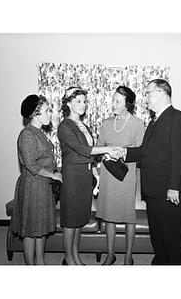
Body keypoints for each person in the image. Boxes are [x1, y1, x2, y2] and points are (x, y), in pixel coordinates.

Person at [115, 79, 181, 265]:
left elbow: (180, 157)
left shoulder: (177, 118)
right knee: (158, 235)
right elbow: (143, 152)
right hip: (153, 190)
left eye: (148, 94)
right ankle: (160, 263)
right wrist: (124, 152)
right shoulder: (154, 121)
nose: (146, 98)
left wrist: (174, 187)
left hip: (168, 191)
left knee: (171, 237)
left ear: (160, 93)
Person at [57, 87, 119, 266]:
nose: (83, 105)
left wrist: (94, 170)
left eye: (84, 101)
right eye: (78, 101)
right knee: (70, 221)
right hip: (72, 176)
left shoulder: (83, 125)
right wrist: (107, 148)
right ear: (68, 103)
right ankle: (69, 259)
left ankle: (75, 256)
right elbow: (81, 149)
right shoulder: (65, 126)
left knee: (78, 220)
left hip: (85, 176)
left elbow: (89, 155)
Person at [95, 86, 145, 265]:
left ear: (127, 104)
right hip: (108, 174)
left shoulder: (137, 124)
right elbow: (99, 146)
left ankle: (128, 256)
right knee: (109, 214)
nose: (113, 104)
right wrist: (106, 153)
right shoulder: (107, 123)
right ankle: (110, 255)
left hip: (126, 175)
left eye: (118, 101)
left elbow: (142, 151)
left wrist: (123, 152)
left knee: (128, 216)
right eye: (113, 100)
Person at [12, 94, 63, 265]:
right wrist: (53, 175)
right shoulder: (27, 134)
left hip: (43, 185)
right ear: (35, 113)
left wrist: (53, 173)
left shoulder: (40, 133)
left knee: (41, 229)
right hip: (33, 186)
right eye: (47, 110)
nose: (50, 114)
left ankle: (40, 263)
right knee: (30, 230)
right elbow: (31, 165)